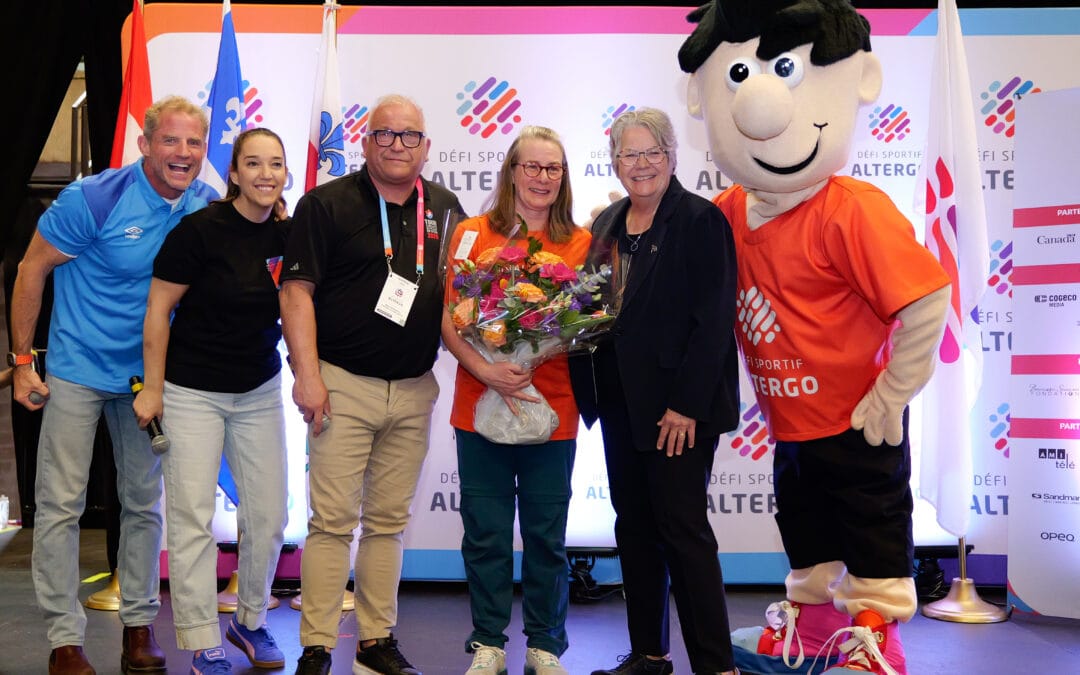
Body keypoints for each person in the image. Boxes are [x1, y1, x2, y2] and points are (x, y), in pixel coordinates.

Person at [679, 2, 951, 674]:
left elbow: (926, 298)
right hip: (790, 423)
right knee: (804, 530)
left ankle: (872, 637)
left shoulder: (851, 210)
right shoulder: (727, 214)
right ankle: (818, 621)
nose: (761, 104)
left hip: (857, 419)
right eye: (738, 76)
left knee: (872, 531)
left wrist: (891, 394)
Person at [10, 95, 216, 675]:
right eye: (170, 141)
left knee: (144, 503)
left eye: (193, 143)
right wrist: (23, 361)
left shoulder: (206, 206)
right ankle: (63, 640)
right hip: (77, 370)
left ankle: (139, 626)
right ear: (146, 144)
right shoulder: (93, 198)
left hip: (149, 381)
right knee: (60, 505)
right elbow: (31, 270)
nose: (182, 154)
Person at [280, 94, 465, 675]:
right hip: (342, 384)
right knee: (332, 522)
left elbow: (461, 293)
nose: (397, 146)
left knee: (388, 524)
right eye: (384, 134)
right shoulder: (325, 204)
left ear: (426, 146)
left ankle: (376, 640)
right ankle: (315, 645)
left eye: (409, 136)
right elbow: (295, 292)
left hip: (414, 388)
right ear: (365, 143)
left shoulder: (445, 206)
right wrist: (308, 377)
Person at [569, 108, 741, 675]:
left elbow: (714, 321)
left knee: (683, 535)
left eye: (651, 153)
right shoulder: (609, 223)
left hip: (678, 413)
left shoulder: (699, 221)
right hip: (620, 403)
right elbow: (593, 311)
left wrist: (686, 405)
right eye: (629, 155)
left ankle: (716, 665)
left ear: (671, 156)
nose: (640, 165)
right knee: (634, 530)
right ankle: (649, 653)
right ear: (614, 162)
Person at [134, 127, 291, 674]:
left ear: (286, 173)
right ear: (234, 173)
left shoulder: (289, 237)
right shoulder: (198, 232)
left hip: (259, 390)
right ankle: (203, 640)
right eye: (254, 163)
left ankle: (249, 621)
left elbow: (297, 311)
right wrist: (152, 388)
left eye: (275, 164)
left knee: (270, 516)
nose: (265, 174)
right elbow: (158, 311)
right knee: (192, 518)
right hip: (192, 391)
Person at [441, 126, 590, 675]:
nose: (542, 178)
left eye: (552, 169)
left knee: (547, 536)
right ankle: (488, 642)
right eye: (531, 167)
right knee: (485, 531)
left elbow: (587, 323)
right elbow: (449, 317)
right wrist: (487, 369)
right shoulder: (472, 234)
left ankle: (546, 644)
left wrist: (540, 352)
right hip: (479, 407)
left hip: (553, 411)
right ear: (510, 172)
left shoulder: (582, 241)